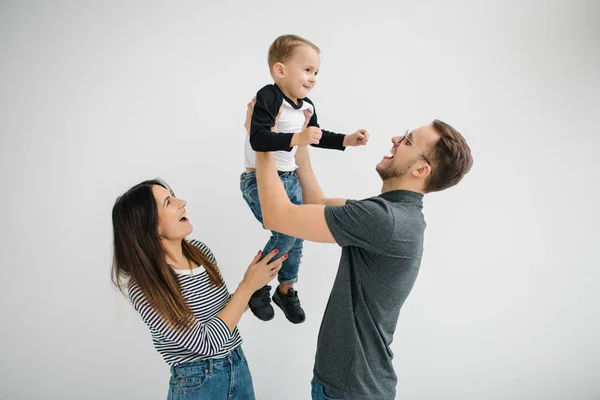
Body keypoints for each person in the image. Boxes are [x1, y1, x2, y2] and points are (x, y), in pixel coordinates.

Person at [252, 109, 473, 399]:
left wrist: (264, 139)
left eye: (408, 140)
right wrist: (301, 138)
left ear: (421, 169)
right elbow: (316, 201)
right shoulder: (393, 213)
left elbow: (277, 216)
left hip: (349, 391)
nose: (395, 139)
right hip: (350, 386)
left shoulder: (384, 220)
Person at [111, 179, 286, 400]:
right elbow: (206, 343)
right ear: (149, 225)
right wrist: (247, 286)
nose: (182, 202)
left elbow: (224, 315)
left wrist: (254, 286)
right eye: (168, 202)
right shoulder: (144, 287)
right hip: (198, 383)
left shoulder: (200, 252)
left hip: (238, 365)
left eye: (174, 195)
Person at [242, 34, 369, 324]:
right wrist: (299, 137)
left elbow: (317, 135)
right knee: (286, 230)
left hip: (290, 179)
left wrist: (346, 140)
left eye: (316, 73)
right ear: (280, 70)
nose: (312, 78)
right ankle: (258, 285)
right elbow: (259, 138)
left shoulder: (306, 106)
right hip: (259, 180)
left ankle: (285, 289)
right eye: (307, 70)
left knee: (298, 232)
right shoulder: (268, 97)